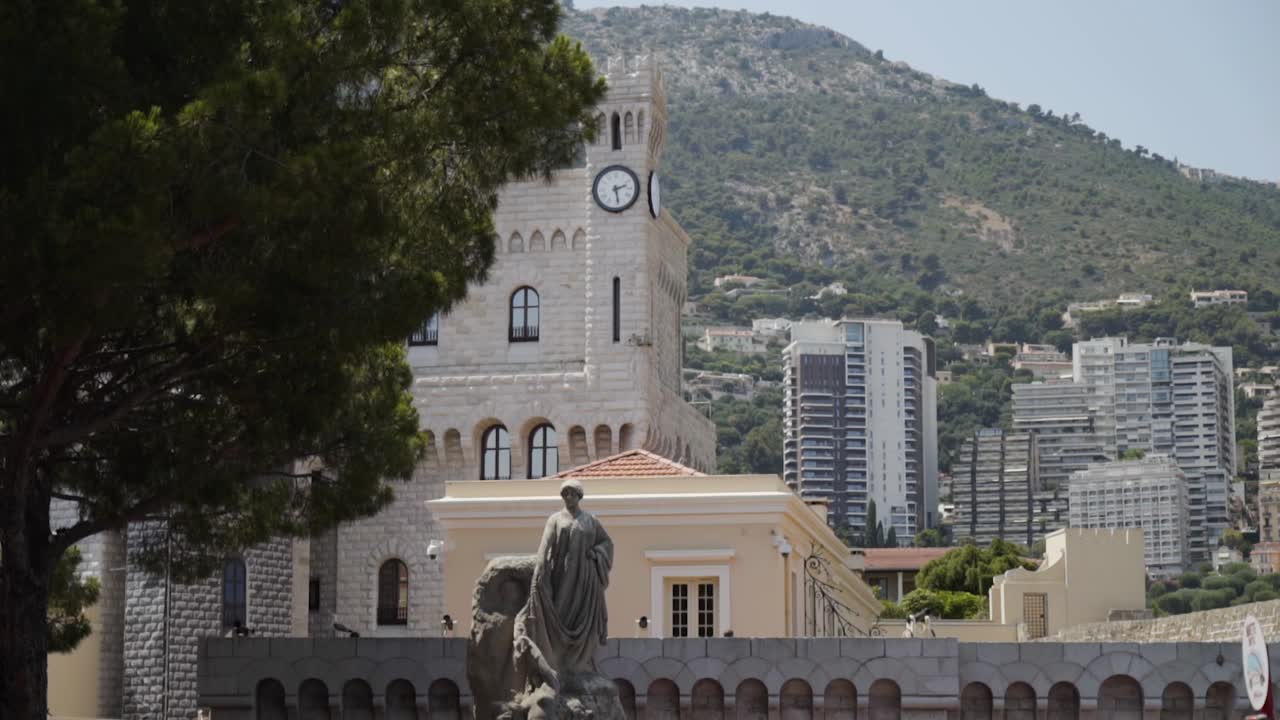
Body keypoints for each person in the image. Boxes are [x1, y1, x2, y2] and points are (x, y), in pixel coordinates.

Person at [514, 479, 614, 686]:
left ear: (579, 496)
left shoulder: (591, 521)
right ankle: (558, 662)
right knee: (559, 612)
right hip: (562, 575)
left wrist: (596, 553)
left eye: (572, 493)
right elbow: (545, 544)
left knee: (583, 618)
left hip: (586, 578)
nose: (568, 497)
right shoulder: (555, 519)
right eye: (565, 494)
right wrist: (539, 567)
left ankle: (582, 665)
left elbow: (607, 543)